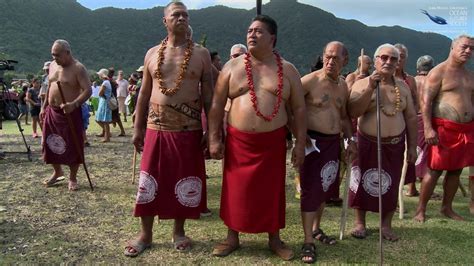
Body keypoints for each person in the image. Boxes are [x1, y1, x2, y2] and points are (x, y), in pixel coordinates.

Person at [208, 15, 306, 261]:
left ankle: (274, 239)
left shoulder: (289, 70)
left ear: (272, 38)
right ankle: (232, 237)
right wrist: (213, 138)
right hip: (238, 141)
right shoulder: (231, 68)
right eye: (250, 30)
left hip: (272, 142)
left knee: (272, 192)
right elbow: (217, 105)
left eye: (258, 31)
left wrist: (300, 143)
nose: (251, 34)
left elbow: (299, 109)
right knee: (235, 191)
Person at [125, 1, 213, 257]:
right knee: (149, 180)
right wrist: (137, 128)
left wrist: (212, 130)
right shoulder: (152, 53)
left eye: (185, 14)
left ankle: (179, 231)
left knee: (183, 179)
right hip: (156, 127)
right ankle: (145, 234)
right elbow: (143, 94)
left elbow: (208, 96)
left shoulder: (201, 54)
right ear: (165, 21)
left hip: (189, 128)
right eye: (176, 14)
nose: (182, 18)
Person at [348, 43, 417, 241]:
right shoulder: (362, 83)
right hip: (366, 141)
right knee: (361, 181)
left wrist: (412, 146)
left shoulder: (403, 87)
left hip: (395, 144)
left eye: (393, 59)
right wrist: (370, 87)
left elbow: (411, 117)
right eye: (384, 57)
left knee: (392, 184)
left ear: (398, 63)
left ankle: (386, 225)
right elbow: (353, 112)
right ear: (375, 60)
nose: (388, 62)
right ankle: (360, 222)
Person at [299, 41, 356, 263]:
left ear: (345, 61)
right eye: (327, 56)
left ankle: (316, 229)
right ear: (323, 57)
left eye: (336, 58)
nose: (330, 61)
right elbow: (289, 106)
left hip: (333, 142)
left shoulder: (343, 85)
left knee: (324, 188)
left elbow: (344, 117)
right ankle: (307, 240)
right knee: (310, 190)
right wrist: (298, 135)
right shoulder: (309, 81)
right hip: (312, 142)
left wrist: (350, 140)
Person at [414, 35, 474, 222]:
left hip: (465, 129)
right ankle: (420, 210)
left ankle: (446, 208)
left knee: (456, 170)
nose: (468, 51)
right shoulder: (438, 72)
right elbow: (426, 102)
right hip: (443, 129)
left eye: (472, 49)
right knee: (434, 169)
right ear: (452, 47)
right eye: (464, 47)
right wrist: (428, 128)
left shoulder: (468, 74)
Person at [40, 39, 92, 191]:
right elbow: (49, 86)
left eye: (57, 55)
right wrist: (44, 107)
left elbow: (87, 90)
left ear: (68, 53)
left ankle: (73, 177)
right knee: (49, 142)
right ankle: (57, 172)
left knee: (72, 145)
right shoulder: (52, 66)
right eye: (52, 55)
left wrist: (74, 104)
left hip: (70, 111)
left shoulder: (78, 68)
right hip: (52, 111)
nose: (54, 58)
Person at [394, 43, 419, 197]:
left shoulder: (410, 80)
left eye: (401, 57)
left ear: (405, 59)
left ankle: (403, 192)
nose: (398, 59)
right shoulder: (381, 78)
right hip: (386, 129)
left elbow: (416, 101)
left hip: (405, 128)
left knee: (405, 162)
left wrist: (411, 115)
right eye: (395, 56)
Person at [413, 55, 436, 189]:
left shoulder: (412, 81)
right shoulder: (432, 81)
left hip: (412, 118)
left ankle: (412, 187)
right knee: (424, 154)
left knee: (413, 152)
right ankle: (422, 188)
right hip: (425, 119)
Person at [95, 68, 112, 142]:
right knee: (103, 119)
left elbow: (100, 93)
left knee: (104, 120)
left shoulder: (105, 83)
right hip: (105, 101)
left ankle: (107, 136)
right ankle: (106, 133)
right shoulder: (107, 82)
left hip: (104, 102)